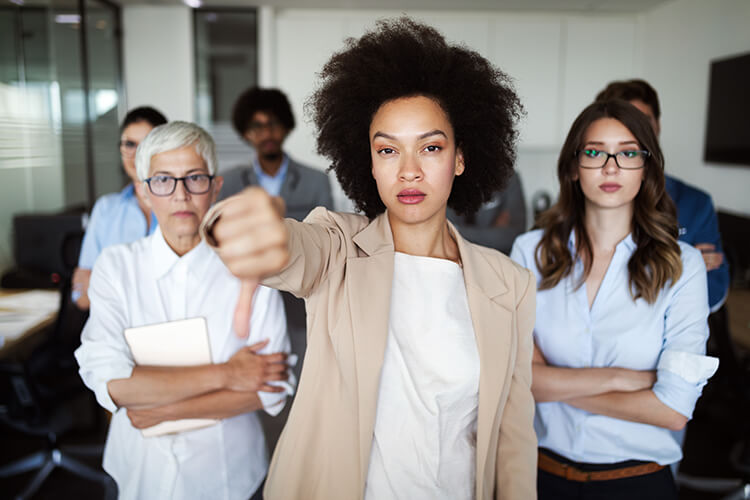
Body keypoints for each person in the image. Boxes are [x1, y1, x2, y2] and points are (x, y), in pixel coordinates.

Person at [202, 17, 537, 500]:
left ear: (460, 159)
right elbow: (292, 249)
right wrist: (242, 226)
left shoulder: (510, 283)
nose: (409, 171)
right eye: (388, 150)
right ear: (370, 162)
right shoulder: (338, 246)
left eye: (431, 147)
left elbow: (514, 440)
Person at [74, 121, 294, 500]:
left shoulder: (248, 268)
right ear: (144, 192)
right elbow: (114, 384)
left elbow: (270, 390)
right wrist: (229, 373)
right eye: (162, 180)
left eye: (195, 178)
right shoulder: (115, 267)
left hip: (229, 476)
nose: (180, 195)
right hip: (137, 471)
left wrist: (161, 410)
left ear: (216, 186)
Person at [510, 100, 718, 499]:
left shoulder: (682, 265)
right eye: (594, 152)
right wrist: (626, 380)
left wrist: (552, 384)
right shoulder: (529, 253)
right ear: (573, 167)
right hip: (538, 478)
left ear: (646, 168)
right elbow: (516, 379)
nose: (610, 167)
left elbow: (673, 411)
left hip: (637, 484)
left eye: (627, 153)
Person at [596, 79, 730, 312]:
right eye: (625, 123)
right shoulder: (588, 199)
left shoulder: (696, 204)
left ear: (657, 127)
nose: (637, 132)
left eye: (644, 122)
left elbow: (713, 290)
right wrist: (679, 268)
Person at [72, 106, 167, 310]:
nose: (137, 154)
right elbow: (81, 297)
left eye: (147, 144)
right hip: (117, 334)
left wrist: (109, 284)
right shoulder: (106, 209)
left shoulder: (185, 203)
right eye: (129, 145)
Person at [219, 86, 334, 220]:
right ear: (245, 133)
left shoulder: (316, 181)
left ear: (287, 127)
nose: (267, 134)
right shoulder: (228, 182)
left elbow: (328, 235)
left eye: (273, 124)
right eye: (257, 126)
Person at [448, 170, 527, 254]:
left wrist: (458, 231)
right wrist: (493, 234)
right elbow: (445, 234)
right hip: (457, 260)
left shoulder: (508, 177)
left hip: (498, 261)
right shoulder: (450, 176)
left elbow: (511, 237)